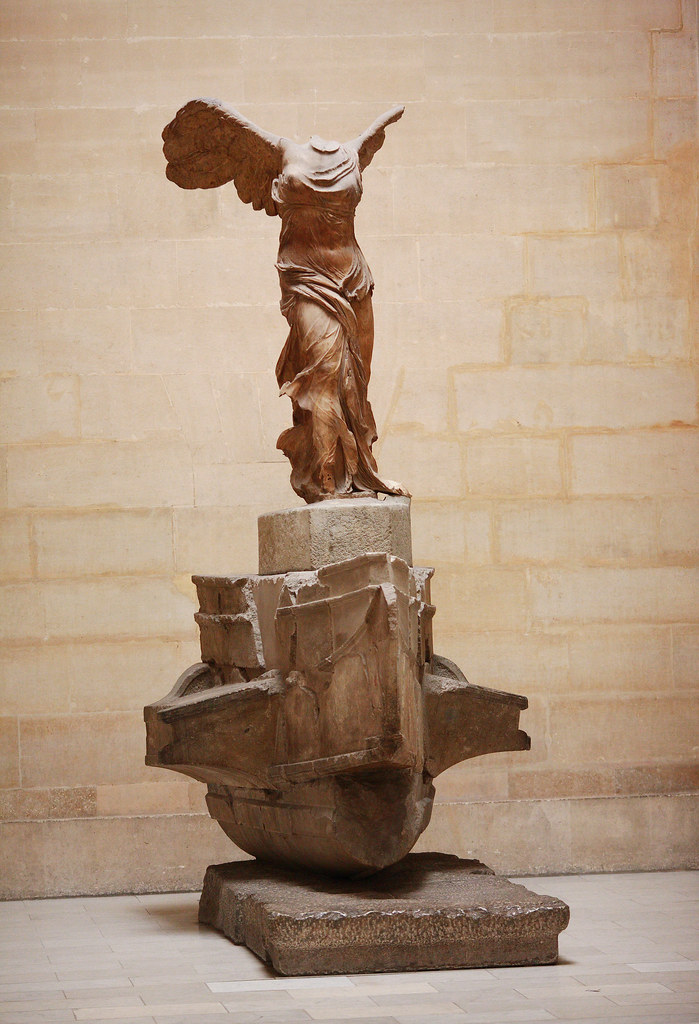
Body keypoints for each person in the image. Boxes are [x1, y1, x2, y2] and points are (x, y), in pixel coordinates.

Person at [163, 100, 407, 503]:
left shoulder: (353, 153)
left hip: (354, 279)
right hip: (305, 278)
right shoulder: (281, 154)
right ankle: (328, 482)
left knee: (355, 384)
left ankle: (360, 475)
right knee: (324, 372)